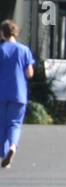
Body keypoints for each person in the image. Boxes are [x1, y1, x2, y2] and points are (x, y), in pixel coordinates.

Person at [0, 20, 36, 169]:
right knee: (14, 124)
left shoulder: (1, 50)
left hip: (1, 93)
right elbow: (29, 73)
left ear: (2, 33)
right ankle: (13, 147)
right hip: (19, 94)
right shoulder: (24, 50)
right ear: (16, 32)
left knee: (2, 124)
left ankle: (3, 153)